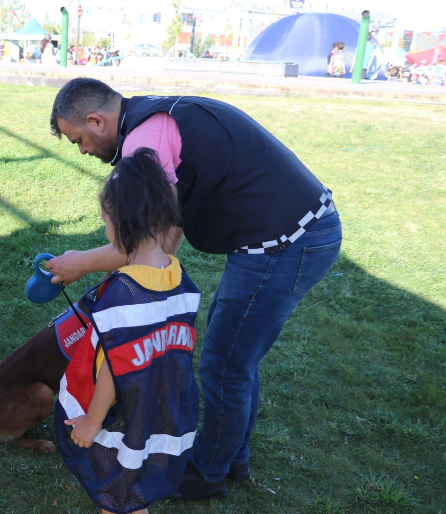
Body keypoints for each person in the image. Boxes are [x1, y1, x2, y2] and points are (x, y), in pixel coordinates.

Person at [47, 78, 342, 500]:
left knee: (225, 363)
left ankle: (207, 472)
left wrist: (80, 263)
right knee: (237, 353)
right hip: (291, 232)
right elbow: (166, 237)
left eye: (79, 139)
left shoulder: (142, 147)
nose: (83, 151)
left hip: (288, 242)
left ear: (96, 120)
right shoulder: (152, 117)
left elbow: (147, 240)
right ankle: (233, 455)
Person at [55, 149, 200, 514]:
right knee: (135, 491)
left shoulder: (122, 294)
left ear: (121, 223)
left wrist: (92, 420)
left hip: (125, 415)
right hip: (163, 406)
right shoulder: (179, 278)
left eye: (105, 220)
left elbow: (113, 369)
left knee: (116, 496)